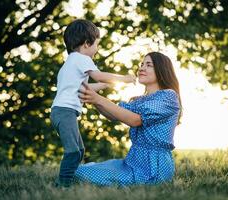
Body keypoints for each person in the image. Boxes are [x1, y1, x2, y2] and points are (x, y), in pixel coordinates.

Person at [50, 19, 135, 188]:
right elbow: (99, 76)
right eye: (97, 44)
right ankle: (63, 185)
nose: (97, 49)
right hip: (65, 112)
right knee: (73, 151)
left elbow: (86, 87)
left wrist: (107, 84)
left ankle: (70, 179)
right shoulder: (82, 59)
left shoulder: (71, 63)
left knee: (79, 151)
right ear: (87, 44)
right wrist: (124, 79)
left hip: (61, 112)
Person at [76, 52, 182, 187]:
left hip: (153, 166)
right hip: (133, 160)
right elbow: (113, 115)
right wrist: (93, 99)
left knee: (79, 174)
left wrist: (97, 98)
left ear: (162, 70)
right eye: (142, 64)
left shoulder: (168, 96)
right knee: (77, 171)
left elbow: (135, 120)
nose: (142, 68)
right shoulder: (140, 100)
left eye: (149, 65)